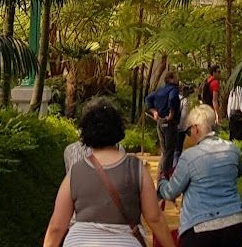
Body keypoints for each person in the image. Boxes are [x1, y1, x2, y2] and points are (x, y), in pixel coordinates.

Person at [44, 98, 177, 247]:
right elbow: (154, 217)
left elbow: (56, 226)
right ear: (118, 130)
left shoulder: (76, 172)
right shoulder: (136, 169)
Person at [156, 104, 242, 247]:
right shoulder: (232, 149)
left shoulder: (189, 156)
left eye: (188, 131)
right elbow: (240, 171)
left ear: (195, 128)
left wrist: (161, 183)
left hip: (200, 228)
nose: (189, 135)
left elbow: (170, 192)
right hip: (235, 222)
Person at [145, 69, 184, 181]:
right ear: (170, 79)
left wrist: (154, 111)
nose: (178, 79)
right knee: (169, 151)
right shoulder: (173, 90)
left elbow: (148, 98)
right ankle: (164, 176)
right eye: (176, 77)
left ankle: (160, 174)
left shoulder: (160, 90)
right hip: (169, 123)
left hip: (160, 122)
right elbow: (172, 99)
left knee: (164, 150)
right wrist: (171, 113)